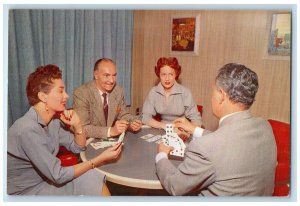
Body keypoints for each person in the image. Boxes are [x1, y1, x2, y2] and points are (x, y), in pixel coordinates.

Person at [155, 63, 277, 196]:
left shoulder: (205, 147)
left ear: (221, 95)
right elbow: (228, 141)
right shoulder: (265, 127)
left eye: (213, 91)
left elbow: (175, 185)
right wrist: (195, 129)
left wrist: (161, 155)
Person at [7, 65, 122, 195]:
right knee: (90, 175)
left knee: (92, 178)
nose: (66, 96)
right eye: (61, 91)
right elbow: (58, 175)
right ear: (43, 97)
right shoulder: (26, 129)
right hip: (26, 192)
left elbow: (78, 147)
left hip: (46, 181)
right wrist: (99, 160)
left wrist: (78, 125)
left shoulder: (53, 121)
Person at [73, 58, 142, 139]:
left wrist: (132, 121)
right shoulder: (82, 93)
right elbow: (82, 128)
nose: (112, 80)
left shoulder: (118, 91)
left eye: (114, 75)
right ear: (96, 75)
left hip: (110, 142)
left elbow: (122, 113)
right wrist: (111, 131)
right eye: (106, 75)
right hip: (87, 142)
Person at [142, 57, 202, 130]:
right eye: (163, 74)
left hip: (182, 130)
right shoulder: (153, 92)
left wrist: (187, 132)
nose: (167, 78)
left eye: (171, 74)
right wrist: (164, 126)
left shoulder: (185, 92)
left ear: (176, 74)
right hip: (162, 129)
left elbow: (197, 120)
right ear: (159, 75)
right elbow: (145, 117)